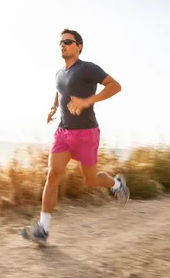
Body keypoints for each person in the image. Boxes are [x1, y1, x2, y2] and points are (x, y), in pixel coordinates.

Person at [21, 28, 129, 245]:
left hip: (87, 133)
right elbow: (59, 90)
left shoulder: (88, 68)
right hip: (63, 132)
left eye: (68, 41)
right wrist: (53, 107)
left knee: (90, 181)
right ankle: (43, 230)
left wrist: (88, 101)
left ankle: (117, 185)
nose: (63, 45)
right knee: (53, 175)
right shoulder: (59, 73)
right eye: (61, 42)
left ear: (78, 46)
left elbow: (115, 86)